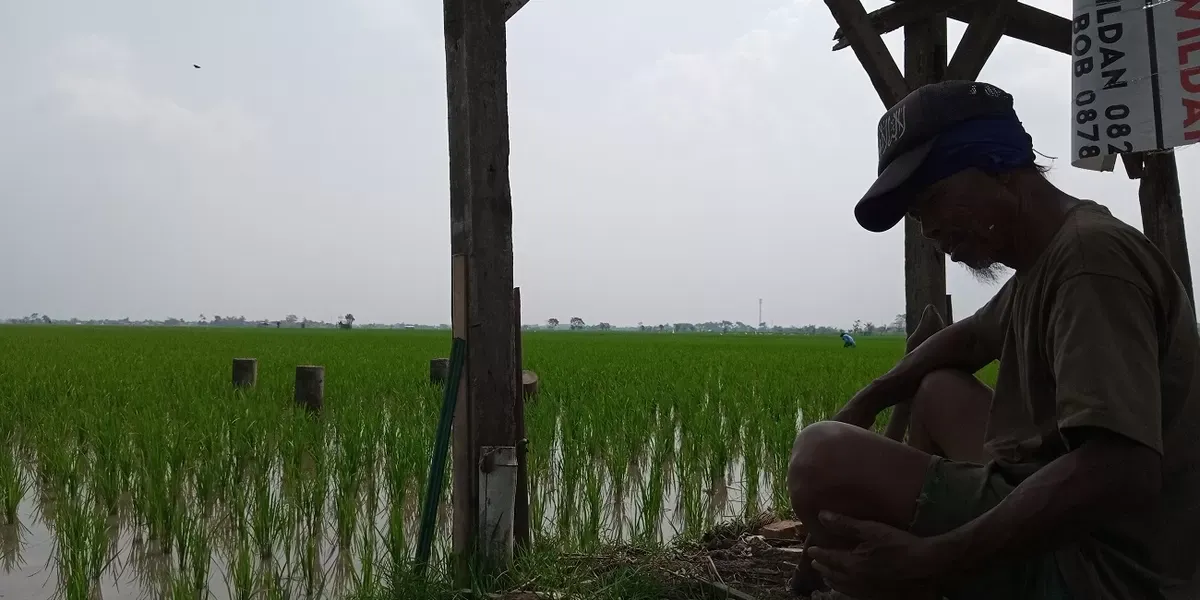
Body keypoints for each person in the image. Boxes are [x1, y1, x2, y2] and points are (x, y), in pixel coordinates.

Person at [785, 79, 1200, 600]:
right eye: (917, 218)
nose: (929, 230)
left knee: (820, 456)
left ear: (1000, 166)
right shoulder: (1047, 258)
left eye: (932, 200)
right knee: (936, 389)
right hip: (1074, 527)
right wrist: (872, 397)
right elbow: (971, 338)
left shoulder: (1089, 263)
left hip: (1105, 570)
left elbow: (1123, 470)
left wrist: (935, 561)